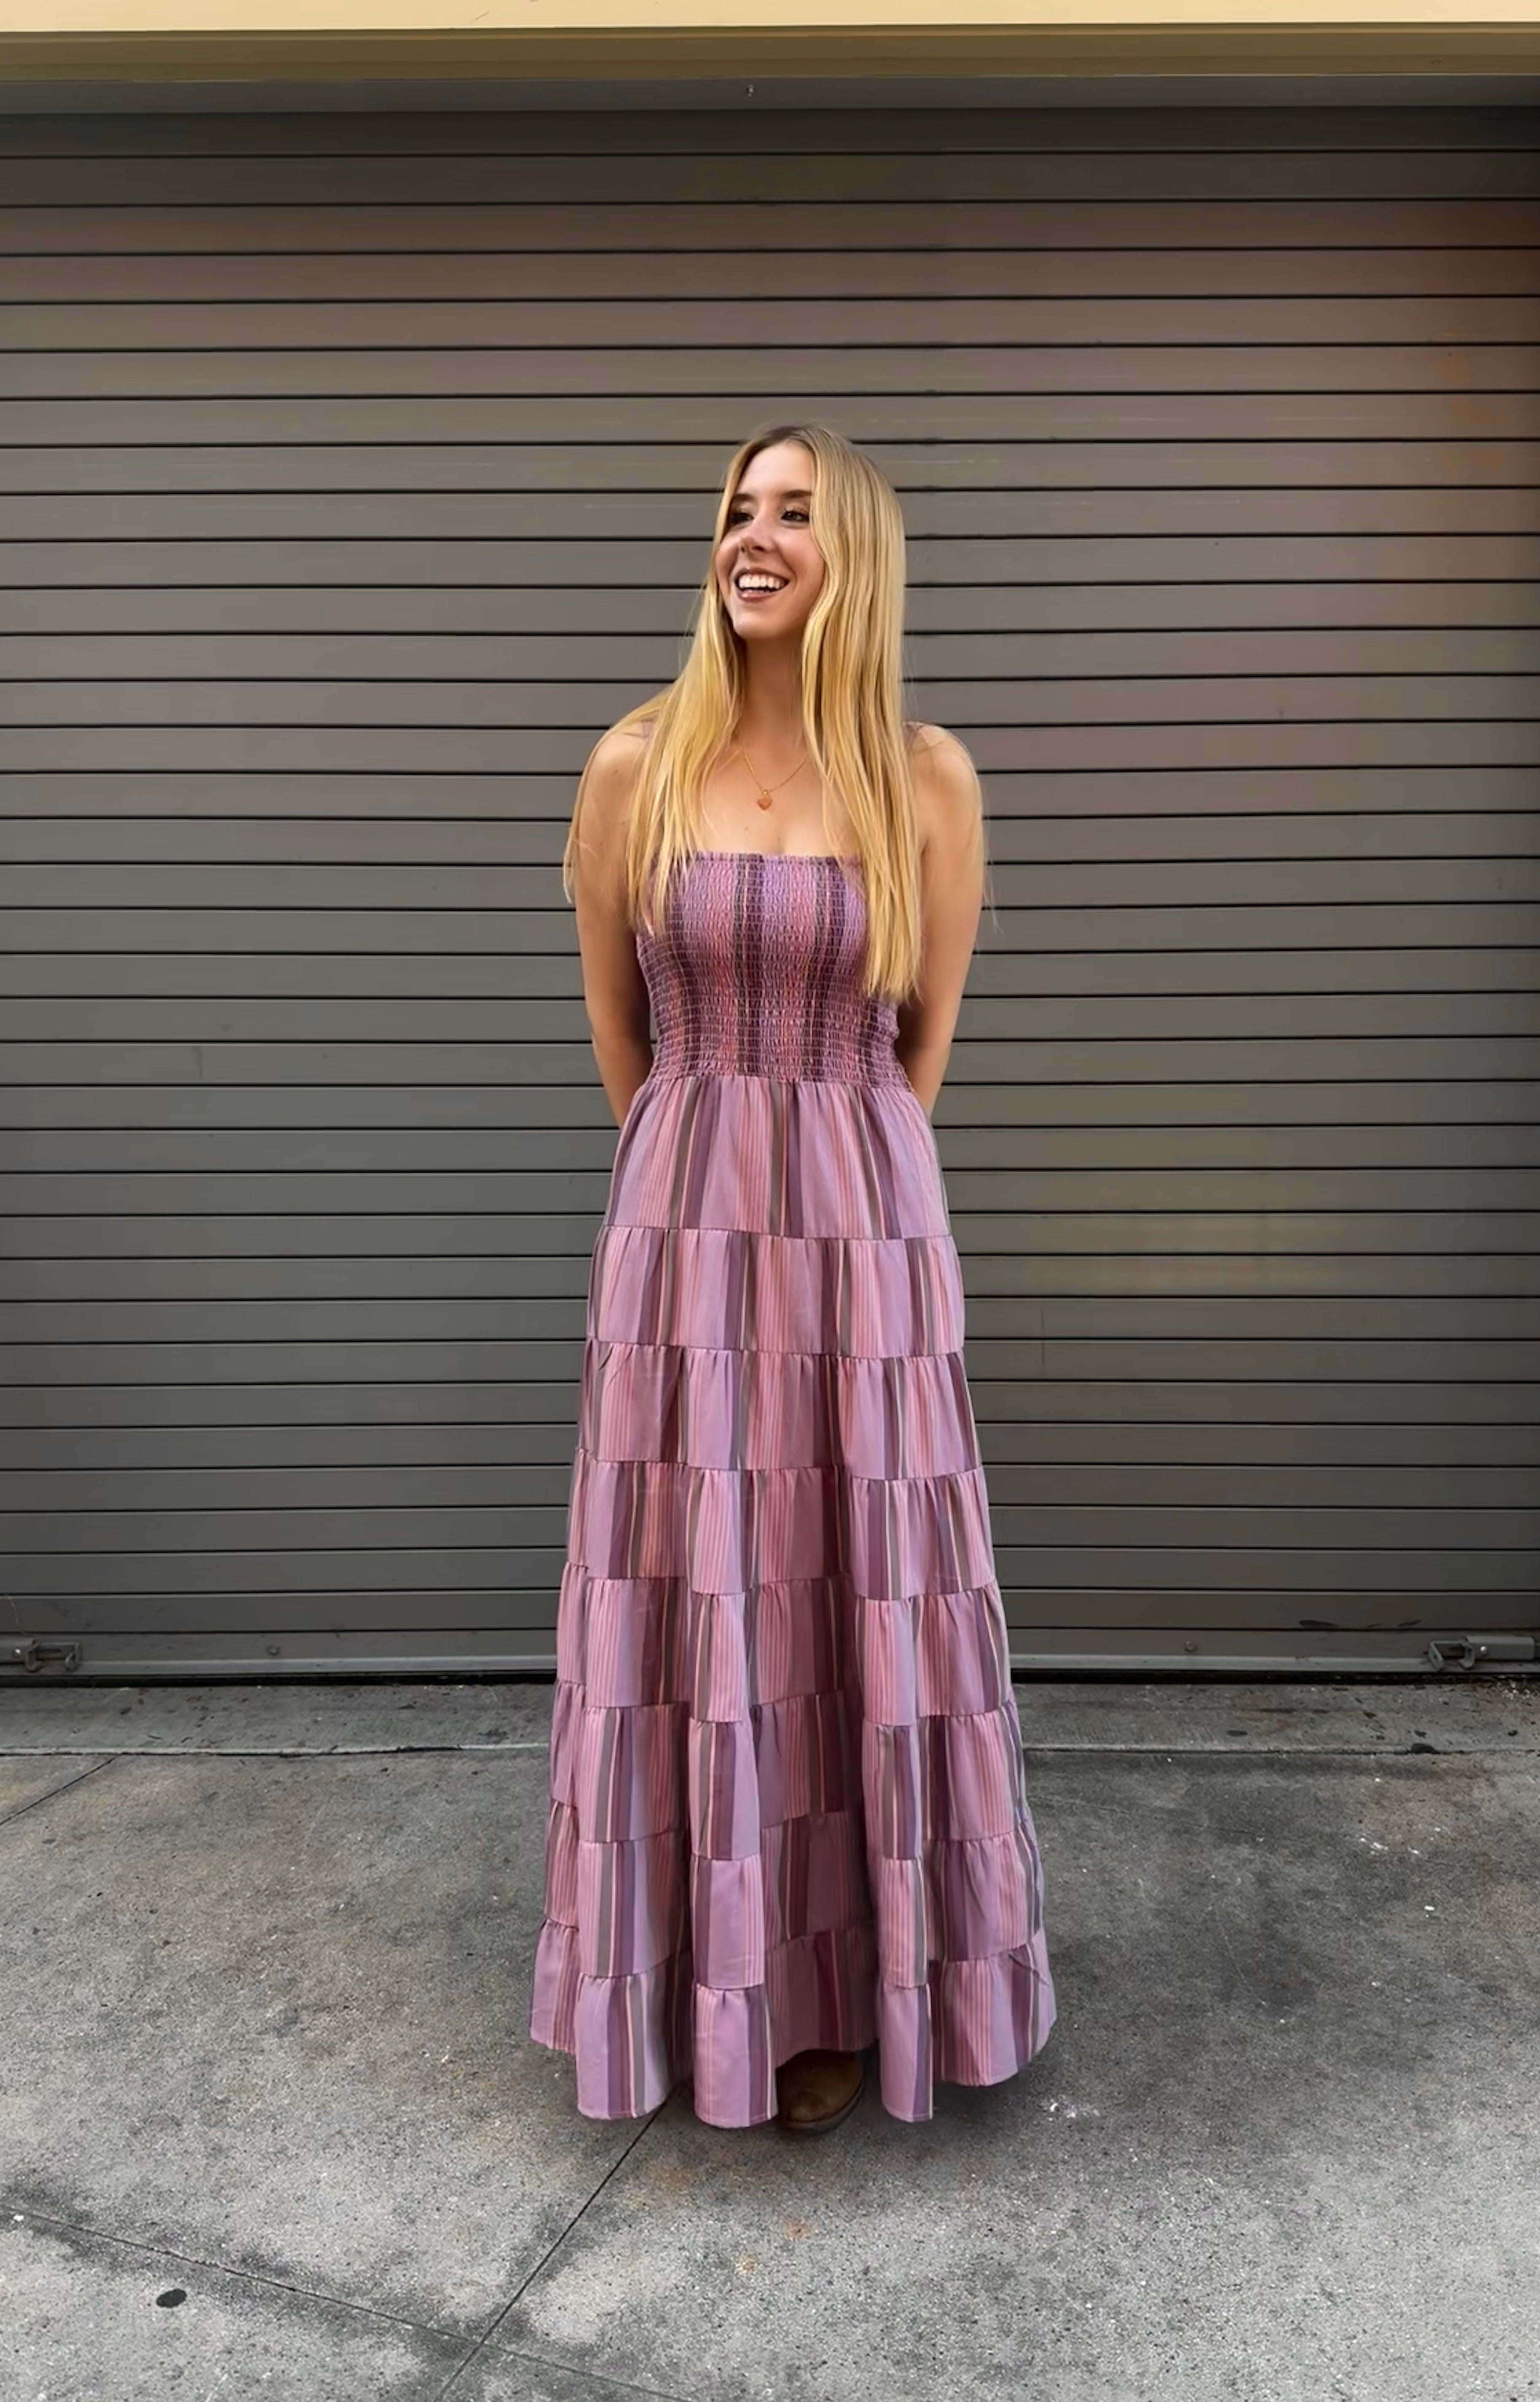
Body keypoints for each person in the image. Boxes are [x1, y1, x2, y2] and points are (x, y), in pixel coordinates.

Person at [529, 423, 1055, 2135]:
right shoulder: (634, 769)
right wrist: (705, 1189)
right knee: (698, 1587)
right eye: (737, 512)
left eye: (794, 514)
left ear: (860, 555)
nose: (754, 538)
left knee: (849, 1591)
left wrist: (830, 1199)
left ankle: (843, 1989)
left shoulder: (928, 780)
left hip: (864, 1227)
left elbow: (926, 1046)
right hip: (680, 1231)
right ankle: (697, 1974)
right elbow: (624, 1034)